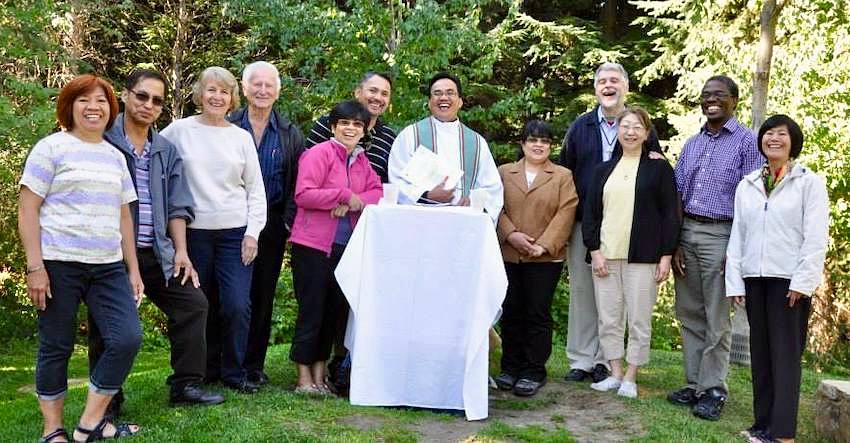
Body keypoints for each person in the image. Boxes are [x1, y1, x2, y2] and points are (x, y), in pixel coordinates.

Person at [86, 69, 225, 413]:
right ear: (126, 94)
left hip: (157, 252)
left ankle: (186, 385)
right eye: (142, 96)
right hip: (112, 254)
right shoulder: (101, 140)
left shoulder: (165, 149)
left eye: (157, 100)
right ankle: (108, 401)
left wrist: (181, 251)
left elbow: (178, 206)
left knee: (194, 305)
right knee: (109, 327)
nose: (149, 105)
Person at [18, 74, 143, 442]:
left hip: (107, 267)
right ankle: (52, 430)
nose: (94, 107)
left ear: (111, 108)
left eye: (101, 100)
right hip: (58, 264)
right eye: (84, 100)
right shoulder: (50, 148)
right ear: (69, 106)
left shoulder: (115, 157)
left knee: (127, 338)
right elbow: (27, 208)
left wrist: (133, 269)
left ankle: (90, 423)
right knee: (56, 345)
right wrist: (35, 267)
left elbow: (124, 217)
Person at [161, 66, 267, 394]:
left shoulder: (241, 137)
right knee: (196, 305)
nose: (217, 97)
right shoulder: (178, 131)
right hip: (193, 234)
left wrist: (253, 233)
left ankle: (234, 373)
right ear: (199, 94)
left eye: (224, 91)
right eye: (211, 90)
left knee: (237, 305)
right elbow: (150, 159)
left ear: (232, 98)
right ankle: (200, 372)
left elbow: (255, 190)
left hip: (235, 233)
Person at [559, 62, 664, 384]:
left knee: (616, 296)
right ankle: (582, 358)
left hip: (627, 226)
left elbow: (655, 166)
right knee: (583, 291)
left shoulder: (640, 125)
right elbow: (565, 172)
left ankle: (608, 361)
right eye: (602, 81)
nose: (608, 85)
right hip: (585, 225)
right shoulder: (581, 126)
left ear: (625, 87)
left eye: (614, 80)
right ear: (595, 89)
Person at [726, 115, 828, 443]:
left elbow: (815, 237)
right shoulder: (749, 183)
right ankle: (761, 425)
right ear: (761, 142)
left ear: (792, 141)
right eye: (768, 133)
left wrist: (803, 281)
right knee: (762, 355)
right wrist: (735, 282)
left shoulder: (808, 182)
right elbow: (738, 236)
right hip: (755, 278)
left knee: (785, 357)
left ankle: (783, 433)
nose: (774, 139)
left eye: (781, 134)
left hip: (789, 282)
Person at [668, 75, 762, 420]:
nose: (711, 100)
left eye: (719, 95)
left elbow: (751, 200)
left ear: (733, 100)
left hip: (722, 235)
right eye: (706, 95)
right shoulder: (693, 143)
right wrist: (675, 240)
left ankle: (714, 389)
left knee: (717, 318)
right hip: (688, 232)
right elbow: (678, 193)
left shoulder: (747, 143)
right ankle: (694, 384)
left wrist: (735, 250)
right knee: (690, 312)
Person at [581, 107, 680, 398]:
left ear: (647, 133)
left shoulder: (659, 168)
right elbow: (590, 214)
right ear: (617, 132)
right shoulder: (603, 170)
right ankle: (615, 372)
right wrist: (594, 251)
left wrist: (665, 256)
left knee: (638, 318)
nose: (631, 131)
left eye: (638, 126)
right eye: (625, 126)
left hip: (644, 256)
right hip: (606, 255)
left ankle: (632, 377)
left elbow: (669, 215)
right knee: (609, 317)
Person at [288, 100, 382, 395]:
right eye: (344, 123)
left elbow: (378, 192)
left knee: (332, 312)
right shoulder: (319, 154)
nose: (350, 128)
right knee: (311, 310)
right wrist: (342, 195)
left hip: (345, 248)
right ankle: (304, 378)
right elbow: (304, 194)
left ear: (364, 130)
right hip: (313, 246)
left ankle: (319, 375)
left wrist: (354, 200)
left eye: (357, 124)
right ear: (333, 126)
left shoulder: (362, 160)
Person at [227, 61, 306, 386]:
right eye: (255, 84)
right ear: (244, 89)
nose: (262, 91)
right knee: (229, 295)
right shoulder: (227, 125)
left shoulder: (289, 133)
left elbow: (296, 184)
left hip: (271, 225)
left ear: (278, 90)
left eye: (268, 85)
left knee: (261, 296)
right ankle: (221, 362)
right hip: (229, 221)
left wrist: (286, 224)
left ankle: (253, 366)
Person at [494, 120, 578, 397]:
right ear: (523, 144)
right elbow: (495, 206)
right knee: (512, 311)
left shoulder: (562, 176)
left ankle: (533, 370)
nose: (538, 145)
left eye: (544, 141)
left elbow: (566, 212)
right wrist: (511, 235)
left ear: (551, 146)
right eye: (533, 140)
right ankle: (510, 367)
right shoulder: (504, 172)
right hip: (509, 254)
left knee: (537, 313)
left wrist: (542, 245)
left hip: (545, 259)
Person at [388, 72, 503, 222]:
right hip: (419, 222)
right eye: (437, 93)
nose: (443, 98)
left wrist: (474, 202)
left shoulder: (477, 142)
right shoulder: (410, 135)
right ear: (429, 102)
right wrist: (427, 195)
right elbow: (397, 179)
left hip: (462, 222)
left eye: (450, 93)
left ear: (460, 101)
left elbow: (492, 187)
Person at [306, 71, 396, 183]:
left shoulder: (389, 138)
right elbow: (306, 170)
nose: (378, 97)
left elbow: (388, 183)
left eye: (384, 94)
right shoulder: (329, 123)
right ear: (358, 92)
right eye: (373, 91)